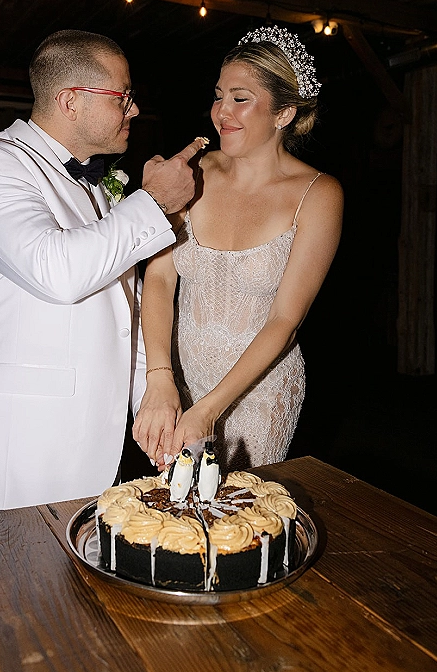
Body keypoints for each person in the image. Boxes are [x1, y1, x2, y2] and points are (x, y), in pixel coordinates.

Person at [0, 29, 206, 512]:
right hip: (22, 447)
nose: (134, 110)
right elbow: (57, 272)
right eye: (122, 97)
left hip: (93, 439)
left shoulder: (97, 187)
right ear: (69, 101)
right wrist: (153, 202)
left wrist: (153, 396)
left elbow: (122, 309)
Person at [133, 25, 343, 473]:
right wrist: (159, 379)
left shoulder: (318, 194)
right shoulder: (192, 173)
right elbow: (159, 277)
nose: (221, 111)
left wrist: (209, 410)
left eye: (240, 98)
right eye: (218, 95)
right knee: (174, 520)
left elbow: (285, 320)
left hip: (257, 391)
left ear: (284, 112)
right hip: (178, 379)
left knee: (239, 520)